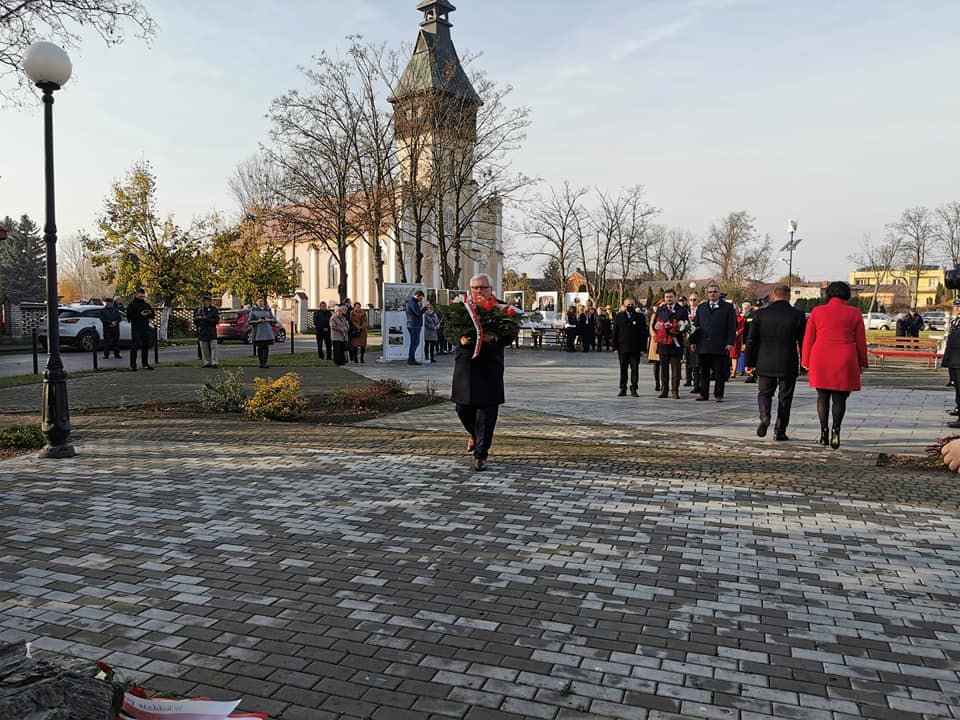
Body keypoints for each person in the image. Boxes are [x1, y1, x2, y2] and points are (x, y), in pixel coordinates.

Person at [452, 273, 517, 471]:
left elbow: (510, 335)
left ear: (491, 290)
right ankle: (474, 435)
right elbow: (448, 330)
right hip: (466, 367)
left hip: (489, 367)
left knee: (486, 415)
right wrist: (459, 339)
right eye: (475, 288)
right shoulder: (462, 308)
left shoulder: (502, 309)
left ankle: (481, 454)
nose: (478, 291)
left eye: (482, 287)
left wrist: (493, 339)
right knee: (462, 409)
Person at [801, 281, 868, 449]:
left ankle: (823, 432)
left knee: (822, 396)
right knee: (840, 398)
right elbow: (861, 341)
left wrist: (805, 360)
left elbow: (808, 338)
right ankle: (836, 430)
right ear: (847, 294)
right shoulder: (854, 313)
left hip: (821, 356)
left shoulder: (817, 311)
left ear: (829, 294)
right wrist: (862, 362)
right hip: (845, 356)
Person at [743, 286, 806, 441]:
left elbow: (751, 341)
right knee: (785, 398)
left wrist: (749, 362)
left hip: (764, 360)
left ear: (773, 296)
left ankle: (765, 415)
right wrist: (804, 363)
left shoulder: (760, 314)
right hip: (787, 361)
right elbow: (803, 342)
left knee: (764, 393)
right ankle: (780, 431)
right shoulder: (797, 315)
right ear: (789, 296)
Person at [692, 283, 737, 401]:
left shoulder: (727, 307)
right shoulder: (702, 307)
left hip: (720, 345)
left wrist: (730, 342)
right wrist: (693, 341)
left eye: (714, 292)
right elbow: (696, 325)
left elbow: (732, 326)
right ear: (707, 294)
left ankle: (718, 394)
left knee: (719, 372)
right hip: (704, 345)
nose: (712, 294)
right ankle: (703, 393)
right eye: (710, 292)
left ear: (719, 293)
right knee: (704, 372)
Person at [653, 290, 689, 399]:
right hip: (663, 342)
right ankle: (664, 390)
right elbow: (655, 323)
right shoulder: (661, 309)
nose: (668, 298)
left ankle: (675, 390)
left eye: (670, 297)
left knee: (676, 369)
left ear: (675, 297)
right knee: (663, 369)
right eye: (666, 297)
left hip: (676, 343)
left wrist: (677, 328)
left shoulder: (682, 310)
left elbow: (686, 325)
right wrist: (661, 326)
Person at [612, 298, 647, 397]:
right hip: (622, 348)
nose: (630, 306)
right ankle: (623, 388)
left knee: (635, 369)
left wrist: (643, 348)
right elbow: (615, 332)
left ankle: (634, 388)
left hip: (635, 349)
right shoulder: (619, 316)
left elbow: (644, 333)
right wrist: (615, 346)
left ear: (635, 305)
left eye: (632, 305)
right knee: (623, 369)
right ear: (624, 305)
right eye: (628, 305)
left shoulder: (640, 317)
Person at [126, 288, 155, 371]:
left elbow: (153, 315)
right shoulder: (131, 305)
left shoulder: (147, 305)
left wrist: (149, 313)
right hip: (136, 328)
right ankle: (133, 365)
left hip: (145, 328)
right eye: (140, 296)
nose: (142, 297)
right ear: (136, 295)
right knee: (134, 346)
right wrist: (140, 314)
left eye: (143, 296)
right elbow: (129, 316)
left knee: (146, 345)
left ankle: (145, 364)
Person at [942, 299, 960, 424]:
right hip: (953, 359)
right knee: (957, 386)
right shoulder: (955, 321)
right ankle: (958, 407)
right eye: (955, 306)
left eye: (959, 306)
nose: (957, 308)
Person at [249, 297, 277, 369]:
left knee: (266, 347)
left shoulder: (268, 310)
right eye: (259, 301)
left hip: (267, 331)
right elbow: (249, 321)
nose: (261, 303)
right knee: (260, 347)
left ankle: (265, 363)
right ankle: (261, 363)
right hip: (258, 332)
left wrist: (268, 320)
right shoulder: (253, 311)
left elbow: (274, 319)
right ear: (257, 303)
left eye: (262, 301)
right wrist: (257, 321)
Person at [193, 295, 220, 368]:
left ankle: (214, 362)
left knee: (213, 347)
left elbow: (216, 320)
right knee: (204, 348)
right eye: (202, 301)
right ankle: (207, 362)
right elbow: (194, 320)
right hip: (202, 331)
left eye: (204, 301)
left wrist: (206, 319)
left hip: (211, 331)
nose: (203, 303)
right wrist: (198, 319)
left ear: (209, 301)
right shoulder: (198, 310)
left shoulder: (213, 310)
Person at [405, 289, 426, 365]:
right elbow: (418, 313)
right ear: (417, 295)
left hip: (413, 324)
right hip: (414, 325)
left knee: (415, 342)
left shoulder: (411, 302)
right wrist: (425, 308)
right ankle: (411, 359)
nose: (420, 300)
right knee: (415, 342)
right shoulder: (412, 303)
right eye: (420, 298)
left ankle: (411, 358)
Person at [684, 293, 700, 389]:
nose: (693, 302)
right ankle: (688, 379)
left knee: (696, 362)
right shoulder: (685, 311)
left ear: (698, 301)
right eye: (691, 300)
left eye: (694, 300)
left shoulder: (701, 310)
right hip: (687, 338)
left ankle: (697, 383)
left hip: (697, 339)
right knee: (687, 359)